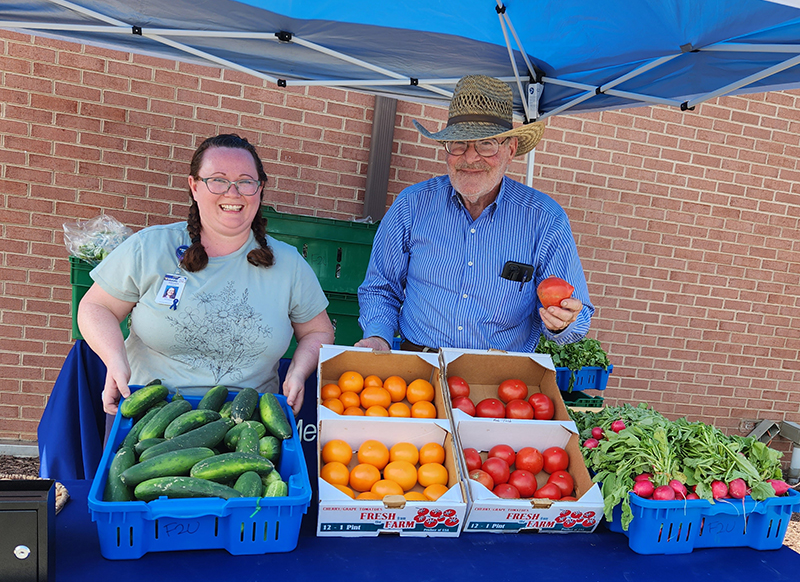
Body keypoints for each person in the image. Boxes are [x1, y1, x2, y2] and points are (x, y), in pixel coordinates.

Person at [78, 133, 334, 415]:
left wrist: (298, 370)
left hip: (247, 422)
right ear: (194, 186)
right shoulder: (150, 247)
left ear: (259, 189)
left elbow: (318, 331)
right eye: (218, 180)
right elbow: (96, 307)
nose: (232, 192)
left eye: (246, 181)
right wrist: (115, 360)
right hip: (148, 415)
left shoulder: (289, 264)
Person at [356, 75, 593, 353]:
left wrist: (562, 323)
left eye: (486, 144)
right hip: (420, 372)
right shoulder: (412, 205)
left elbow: (579, 317)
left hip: (501, 380)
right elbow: (381, 287)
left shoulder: (544, 219)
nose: (470, 157)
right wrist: (378, 336)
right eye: (459, 144)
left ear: (510, 149)